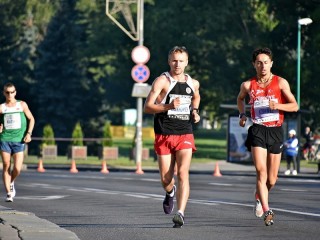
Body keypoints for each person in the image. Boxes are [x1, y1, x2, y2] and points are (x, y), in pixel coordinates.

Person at [237, 47, 298, 226]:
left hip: (275, 130)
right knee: (261, 172)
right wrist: (242, 115)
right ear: (254, 64)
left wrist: (277, 105)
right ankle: (266, 209)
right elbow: (240, 99)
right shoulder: (248, 85)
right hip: (257, 129)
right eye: (259, 63)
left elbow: (294, 105)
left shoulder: (280, 83)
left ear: (271, 64)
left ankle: (259, 195)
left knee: (272, 179)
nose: (262, 66)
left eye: (266, 62)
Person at [144, 46, 200, 228]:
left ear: (187, 62)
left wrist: (195, 111)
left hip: (184, 132)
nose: (178, 64)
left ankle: (181, 213)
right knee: (166, 179)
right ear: (169, 61)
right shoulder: (162, 81)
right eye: (174, 60)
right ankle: (170, 193)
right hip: (164, 133)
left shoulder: (193, 83)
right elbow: (148, 107)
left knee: (183, 173)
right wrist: (169, 106)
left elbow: (196, 97)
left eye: (181, 60)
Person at [0, 82, 35, 202]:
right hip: (5, 139)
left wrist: (29, 134)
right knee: (6, 165)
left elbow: (31, 119)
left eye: (12, 92)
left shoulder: (22, 105)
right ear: (4, 93)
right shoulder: (1, 107)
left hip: (19, 140)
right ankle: (9, 194)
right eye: (7, 92)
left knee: (17, 169)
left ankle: (11, 182)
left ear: (15, 92)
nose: (10, 94)